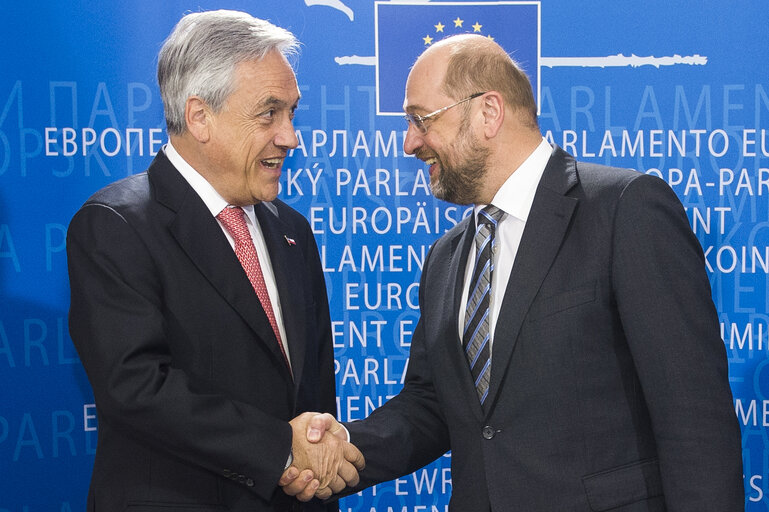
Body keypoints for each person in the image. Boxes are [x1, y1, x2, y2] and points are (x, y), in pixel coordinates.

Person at [286, 34, 744, 510]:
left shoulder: (624, 209)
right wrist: (342, 450)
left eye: (420, 120)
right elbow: (432, 407)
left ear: (488, 112)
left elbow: (694, 419)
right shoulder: (446, 257)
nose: (410, 143)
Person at [66, 10, 362, 512]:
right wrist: (277, 447)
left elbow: (313, 389)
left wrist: (317, 456)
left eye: (292, 113)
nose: (290, 137)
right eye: (269, 114)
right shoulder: (115, 225)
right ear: (199, 116)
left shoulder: (292, 230)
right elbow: (136, 387)